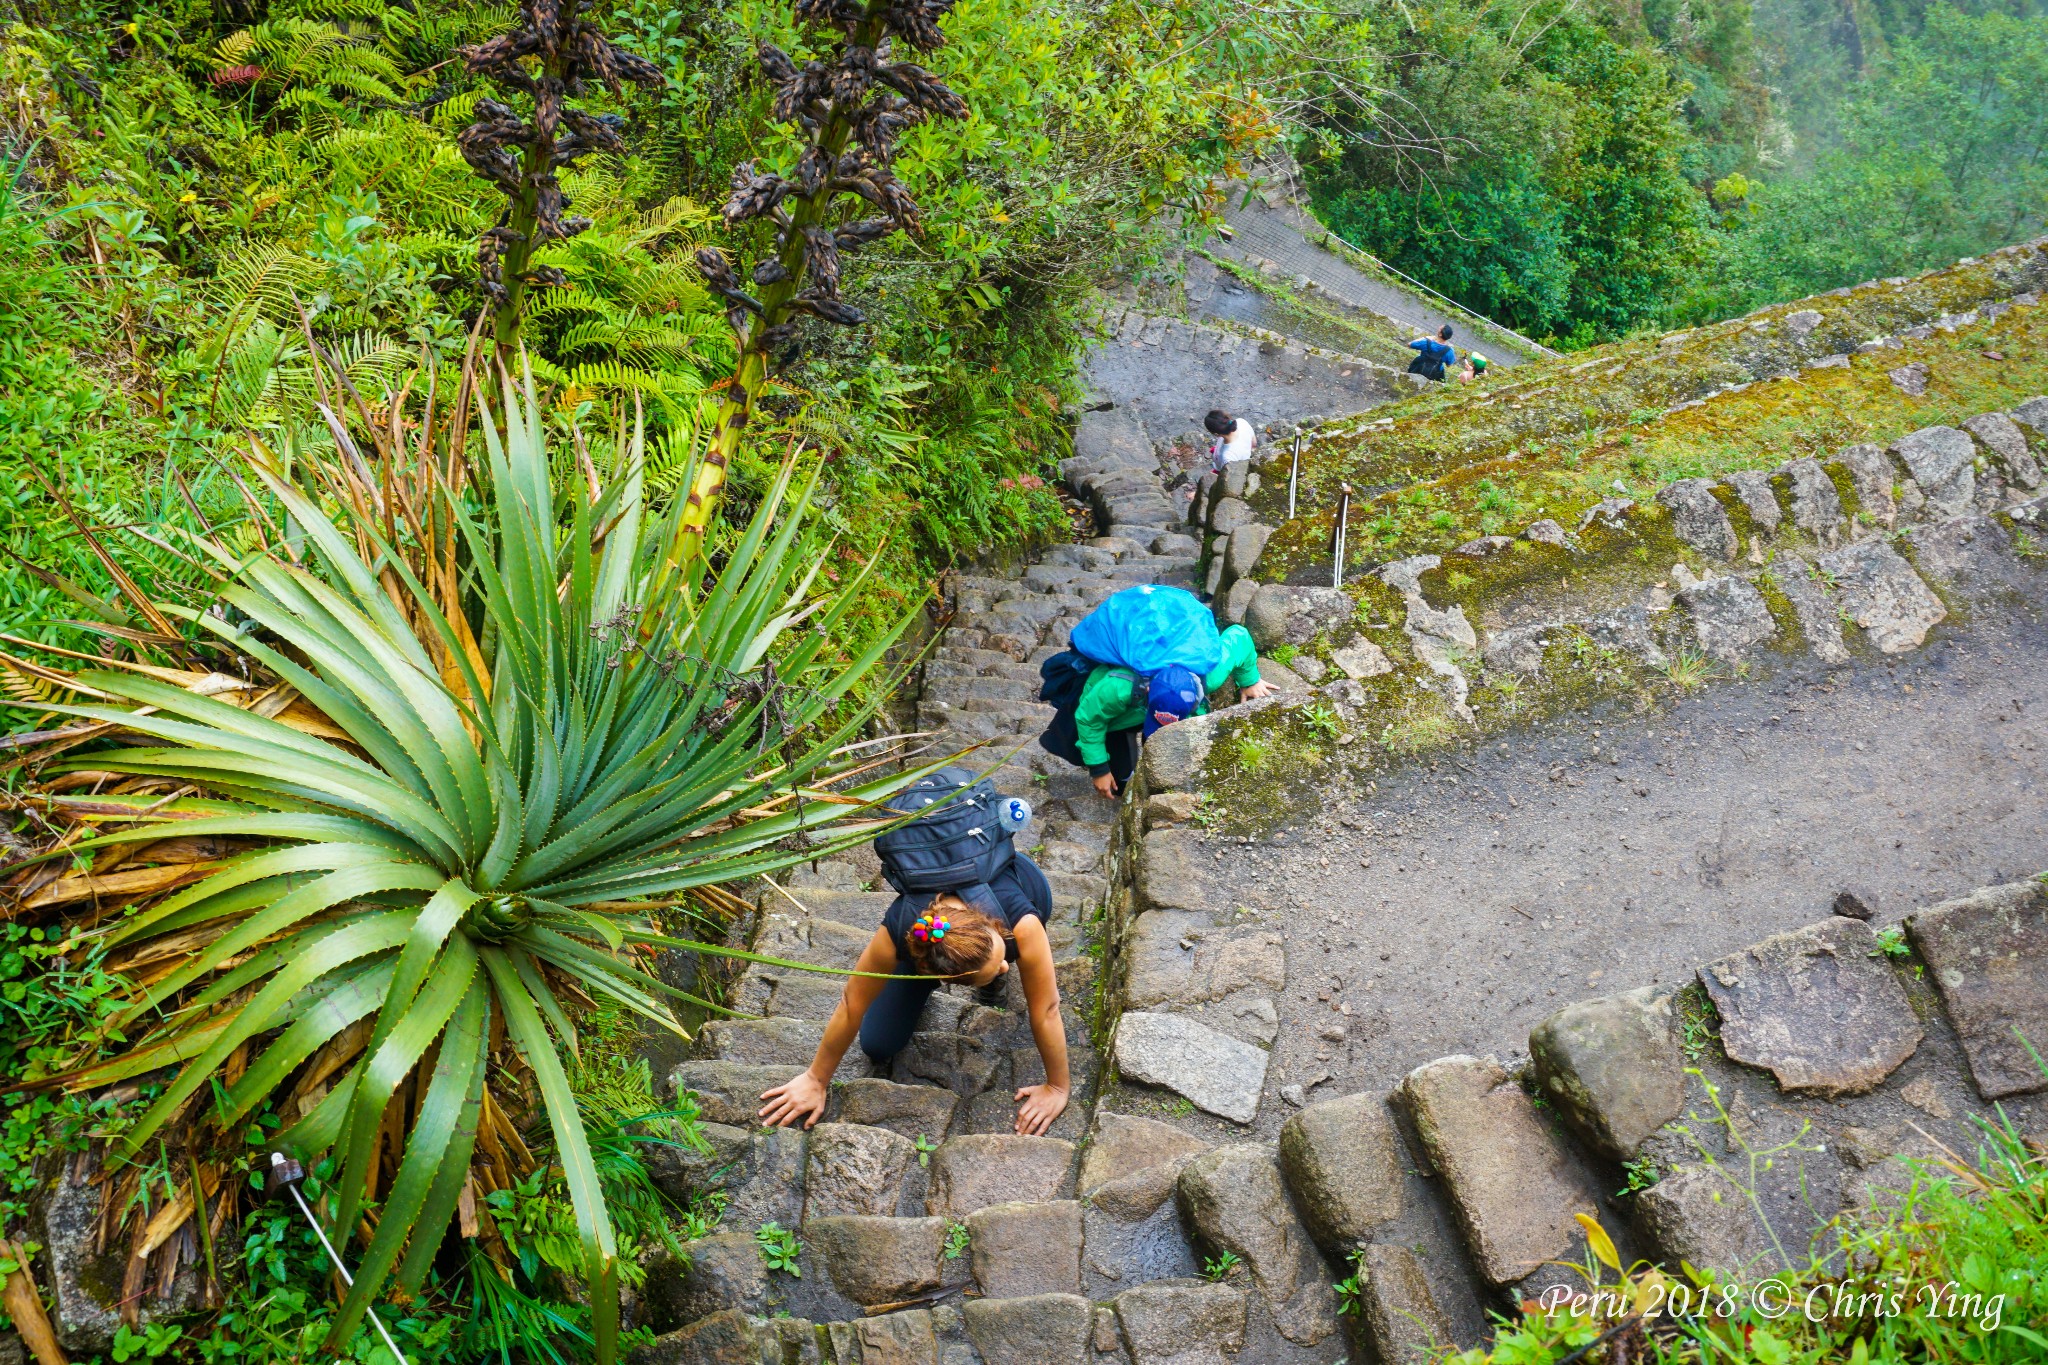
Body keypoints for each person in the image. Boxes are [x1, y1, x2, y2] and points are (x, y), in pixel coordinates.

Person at [757, 852, 1071, 1135]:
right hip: (936, 953)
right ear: (946, 978)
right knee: (878, 1044)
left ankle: (990, 976)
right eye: (998, 967)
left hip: (1019, 886)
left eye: (1002, 959)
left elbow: (1046, 1009)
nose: (1006, 966)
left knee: (1009, 960)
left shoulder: (1022, 924)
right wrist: (815, 1079)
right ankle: (977, 972)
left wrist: (1057, 1087)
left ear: (988, 924)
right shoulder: (902, 925)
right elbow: (852, 1003)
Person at [1074, 628, 1275, 798]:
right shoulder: (1118, 687)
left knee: (1158, 745)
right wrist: (1099, 768)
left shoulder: (1211, 674)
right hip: (1118, 713)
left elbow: (1238, 635)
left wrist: (1250, 680)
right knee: (1118, 777)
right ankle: (1126, 783)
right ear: (1148, 690)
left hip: (1141, 705)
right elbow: (1089, 718)